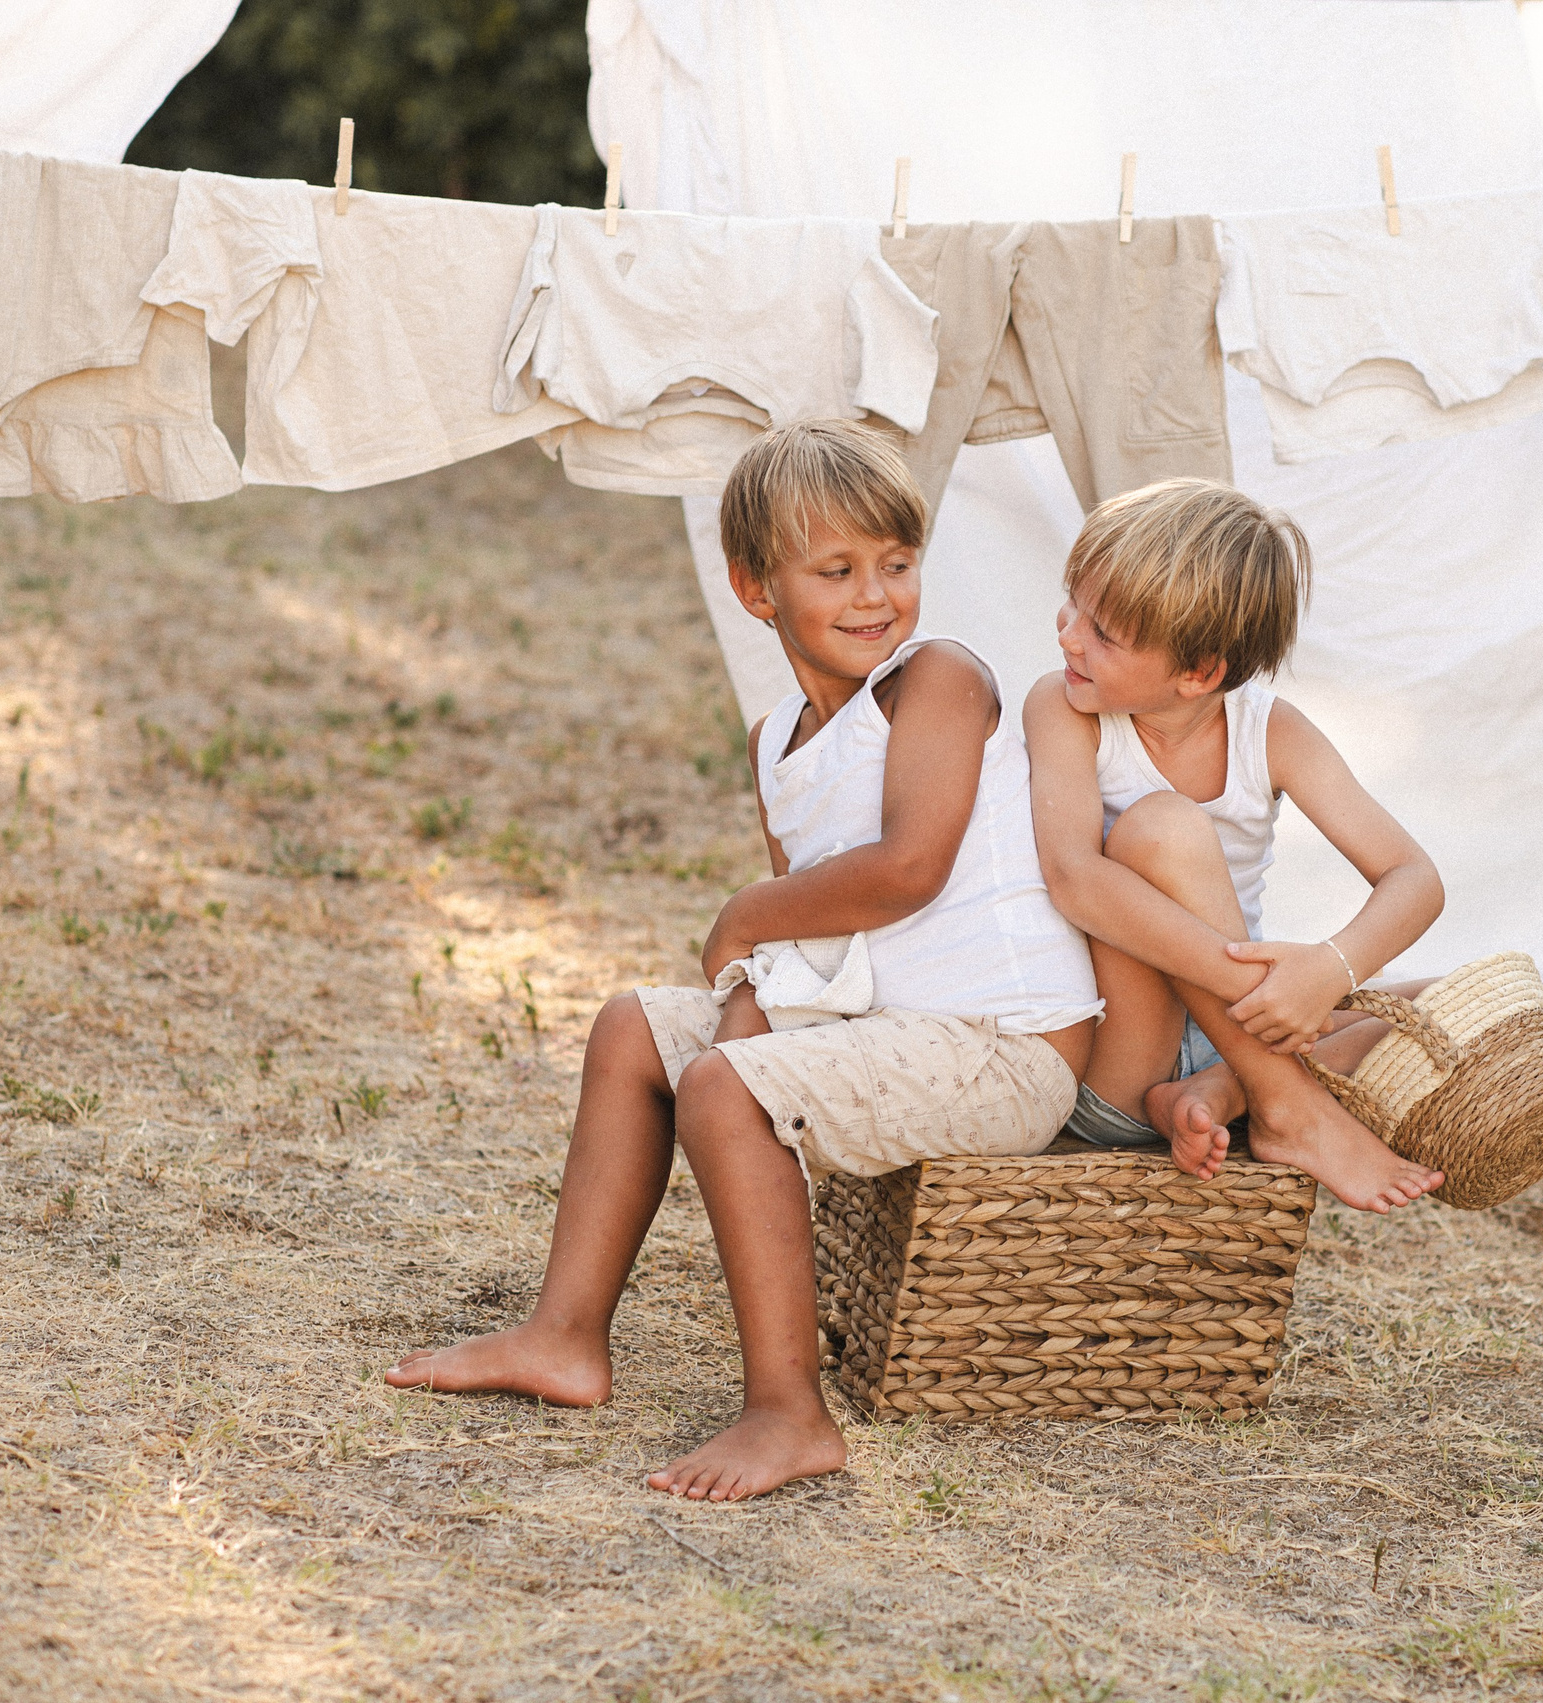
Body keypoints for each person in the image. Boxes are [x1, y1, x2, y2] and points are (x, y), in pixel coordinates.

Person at [387, 421, 1100, 1501]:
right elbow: (809, 947)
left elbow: (908, 866)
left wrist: (748, 913)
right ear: (756, 588)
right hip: (879, 1022)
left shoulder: (937, 680)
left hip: (1004, 1045)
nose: (876, 596)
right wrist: (745, 1000)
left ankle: (789, 1410)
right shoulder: (775, 740)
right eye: (836, 570)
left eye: (896, 565)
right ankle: (562, 1334)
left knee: (726, 1091)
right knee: (638, 1027)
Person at [1025, 478, 1445, 1212]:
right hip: (1119, 1053)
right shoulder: (1065, 710)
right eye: (1074, 603)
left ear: (1201, 673)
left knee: (1445, 1002)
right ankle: (1284, 1104)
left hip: (1235, 1034)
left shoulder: (1270, 732)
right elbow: (1073, 880)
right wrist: (1258, 990)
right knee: (1162, 824)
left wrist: (1325, 969)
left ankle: (1217, 1090)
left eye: (1103, 632)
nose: (1067, 633)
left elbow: (1414, 877)